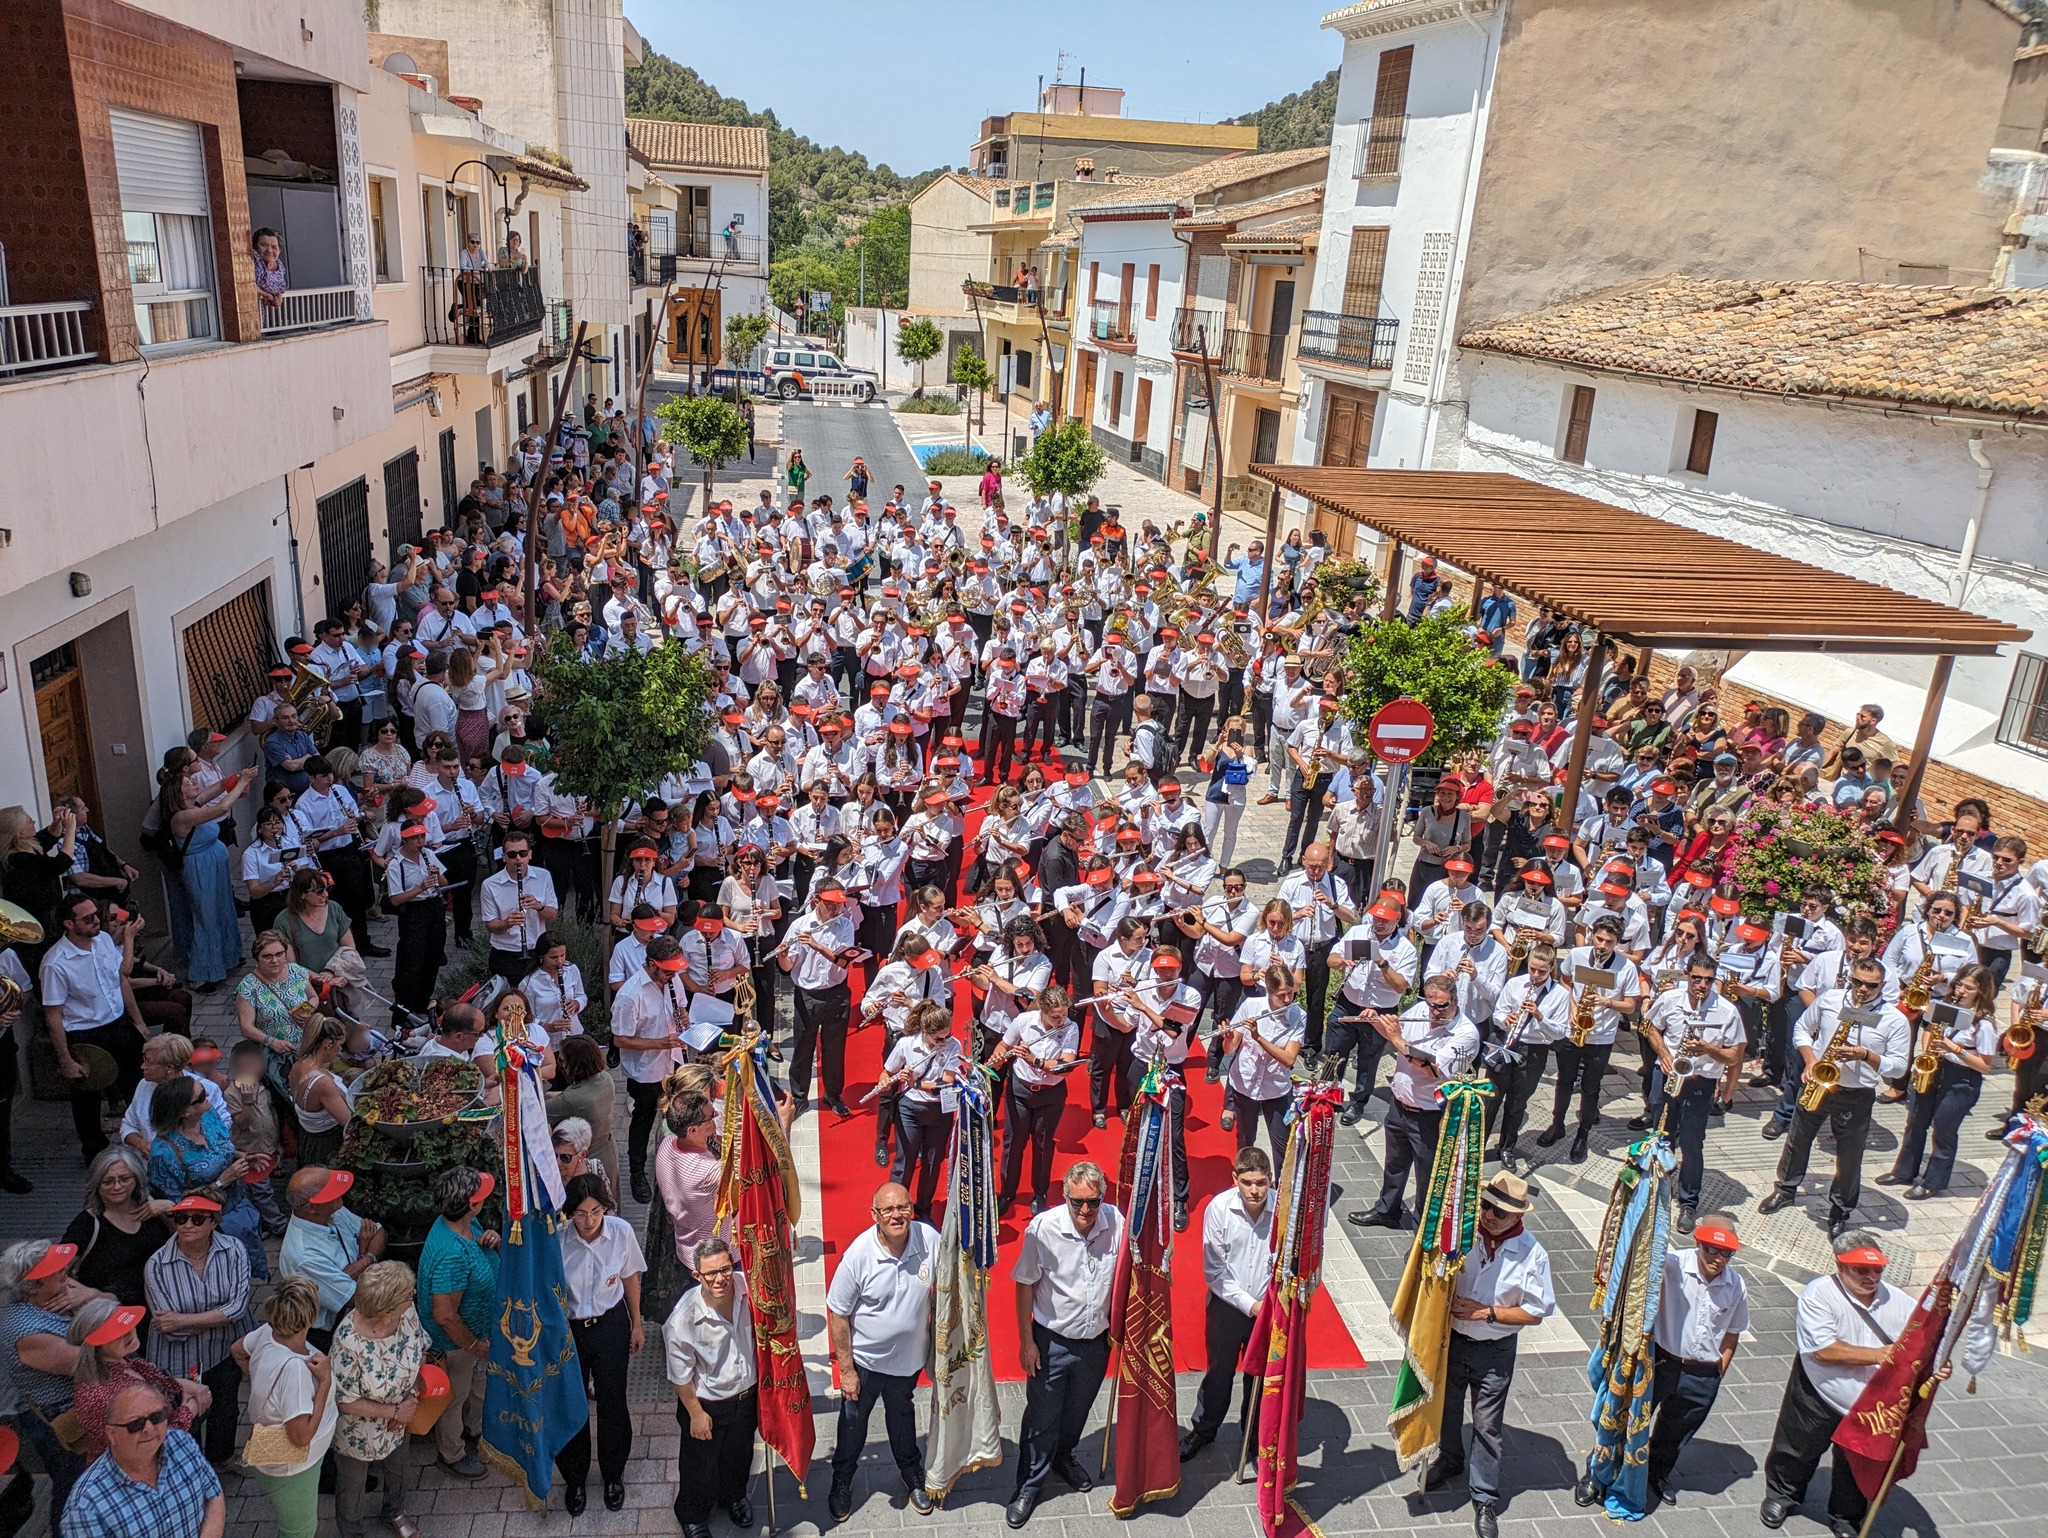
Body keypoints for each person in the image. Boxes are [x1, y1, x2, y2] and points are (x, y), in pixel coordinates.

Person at [1760, 1230, 1991, 1536]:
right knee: (1796, 1450)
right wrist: (1882, 1354)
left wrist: (1937, 1366)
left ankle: (1845, 1518)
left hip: (1871, 1405)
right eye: (1861, 1270)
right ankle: (1782, 1495)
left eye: (1878, 1270)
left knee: (1857, 1465)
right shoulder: (1819, 1295)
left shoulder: (1900, 1302)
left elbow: (1922, 1346)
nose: (1872, 1277)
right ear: (1841, 1267)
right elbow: (1824, 1351)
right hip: (1819, 1395)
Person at [1576, 1216, 1747, 1514]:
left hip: (1702, 1372)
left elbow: (1733, 1330)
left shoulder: (1736, 1285)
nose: (1718, 1259)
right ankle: (1598, 1474)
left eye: (1726, 1254)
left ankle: (1656, 1473)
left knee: (1676, 1431)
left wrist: (1721, 1367)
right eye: (1711, 1250)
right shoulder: (1671, 1266)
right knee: (1624, 1418)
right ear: (1698, 1243)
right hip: (1662, 1362)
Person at [1423, 1172, 1555, 1538]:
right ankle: (1449, 1459)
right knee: (1447, 1406)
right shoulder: (1462, 1236)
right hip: (1454, 1341)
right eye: (1485, 1205)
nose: (1488, 1215)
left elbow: (1536, 1311)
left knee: (1486, 1424)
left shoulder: (1532, 1254)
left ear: (1517, 1217)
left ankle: (1483, 1497)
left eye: (1498, 1211)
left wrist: (1486, 1313)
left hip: (1495, 1349)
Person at [1007, 1160, 1124, 1529]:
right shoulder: (1043, 1228)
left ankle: (1065, 1456)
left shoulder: (1116, 1222)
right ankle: (1028, 1484)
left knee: (1077, 1410)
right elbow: (1024, 1283)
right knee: (1042, 1417)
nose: (1087, 1211)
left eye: (1094, 1202)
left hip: (1095, 1341)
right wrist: (1027, 1342)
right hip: (1052, 1340)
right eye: (1078, 1203)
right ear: (1065, 1197)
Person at [1757, 957, 1910, 1238]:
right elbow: (1802, 1029)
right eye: (1857, 982)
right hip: (1819, 1081)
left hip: (1856, 1092)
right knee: (1797, 1138)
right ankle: (1786, 1189)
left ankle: (1840, 1209)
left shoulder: (1894, 1019)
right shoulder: (1831, 999)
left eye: (1871, 986)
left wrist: (1866, 1056)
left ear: (1883, 985)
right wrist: (1811, 1060)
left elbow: (1900, 1066)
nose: (1862, 990)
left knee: (1849, 1155)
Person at [826, 1182, 940, 1520]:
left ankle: (911, 1474)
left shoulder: (928, 1239)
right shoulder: (858, 1256)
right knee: (852, 1426)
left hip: (908, 1362)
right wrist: (847, 1371)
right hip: (865, 1363)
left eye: (902, 1207)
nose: (897, 1215)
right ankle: (841, 1481)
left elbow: (948, 1283)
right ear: (874, 1215)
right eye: (888, 1210)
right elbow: (838, 1314)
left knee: (902, 1420)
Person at [1348, 973, 1481, 1229]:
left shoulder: (1465, 1034)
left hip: (1430, 1113)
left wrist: (1396, 1037)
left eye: (1442, 1006)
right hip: (1400, 1105)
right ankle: (1387, 1210)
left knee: (1427, 1174)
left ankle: (1424, 1227)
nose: (1435, 1011)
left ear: (1455, 1000)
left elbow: (1430, 1067)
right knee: (1394, 1164)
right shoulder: (1422, 1009)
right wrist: (1378, 1022)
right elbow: (1395, 1038)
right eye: (1431, 1004)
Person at [556, 1172, 645, 1516]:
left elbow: (630, 1278)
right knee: (572, 1403)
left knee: (612, 1400)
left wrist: (636, 1323)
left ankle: (613, 1474)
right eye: (581, 1213)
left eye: (596, 1212)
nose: (589, 1220)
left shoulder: (620, 1232)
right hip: (571, 1330)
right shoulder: (559, 1239)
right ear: (570, 1213)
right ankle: (575, 1479)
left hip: (610, 1324)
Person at [142, 1190, 249, 1469]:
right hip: (180, 1357)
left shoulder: (234, 1249)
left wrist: (184, 1320)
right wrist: (218, 1316)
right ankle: (191, 1470)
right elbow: (170, 1330)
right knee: (185, 1415)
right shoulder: (156, 1264)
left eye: (197, 1219)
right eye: (180, 1218)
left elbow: (238, 1308)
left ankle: (220, 1461)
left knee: (226, 1410)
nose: (187, 1225)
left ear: (214, 1222)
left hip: (224, 1350)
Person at [1642, 953, 1745, 1233]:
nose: (1701, 985)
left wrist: (1709, 1049)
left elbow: (1735, 1056)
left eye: (1708, 980)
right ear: (1687, 974)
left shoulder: (1726, 1011)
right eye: (1696, 978)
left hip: (1700, 1081)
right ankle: (1655, 1190)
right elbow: (1651, 1028)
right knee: (1660, 1136)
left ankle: (1688, 1202)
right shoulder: (1669, 999)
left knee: (1691, 1143)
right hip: (1667, 1073)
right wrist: (1663, 1052)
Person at [1180, 1146, 1272, 1461]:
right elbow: (1215, 1272)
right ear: (1235, 1178)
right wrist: (1252, 1305)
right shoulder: (1218, 1209)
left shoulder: (1283, 1210)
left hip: (1270, 1309)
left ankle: (1255, 1434)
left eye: (1261, 1182)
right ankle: (1204, 1429)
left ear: (1270, 1180)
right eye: (1247, 1182)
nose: (1255, 1190)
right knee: (1219, 1373)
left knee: (1261, 1376)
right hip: (1227, 1308)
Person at [0, 1239, 102, 1519]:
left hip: (85, 1407)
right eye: (54, 1269)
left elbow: (114, 1307)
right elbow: (91, 1364)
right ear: (32, 1287)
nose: (64, 1269)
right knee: (73, 1490)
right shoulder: (24, 1329)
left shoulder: (63, 1287)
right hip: (61, 1423)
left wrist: (91, 1295)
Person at [664, 1237, 758, 1538]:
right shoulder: (683, 1320)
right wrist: (695, 1413)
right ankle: (692, 1514)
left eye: (725, 1270)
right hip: (708, 1403)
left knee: (739, 1455)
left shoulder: (748, 1288)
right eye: (711, 1273)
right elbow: (680, 1376)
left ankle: (734, 1497)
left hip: (746, 1396)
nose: (720, 1279)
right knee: (699, 1467)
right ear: (697, 1276)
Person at [1882, 962, 2002, 1196]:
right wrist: (1929, 1052)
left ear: (1981, 991)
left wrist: (1954, 1049)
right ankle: (1904, 1171)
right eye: (1959, 985)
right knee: (1915, 1121)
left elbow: (1985, 1066)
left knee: (1944, 1130)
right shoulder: (1945, 1005)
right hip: (1935, 1068)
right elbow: (1929, 1030)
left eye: (1969, 988)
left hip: (1962, 1079)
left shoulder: (1984, 1024)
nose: (1960, 991)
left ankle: (1932, 1182)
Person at [40, 892, 146, 1158]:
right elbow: (53, 1015)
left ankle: (146, 1141)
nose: (96, 921)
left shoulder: (103, 941)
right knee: (87, 1098)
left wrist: (138, 1023)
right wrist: (66, 1060)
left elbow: (121, 977)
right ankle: (95, 1152)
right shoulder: (55, 963)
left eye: (96, 915)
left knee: (137, 1084)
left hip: (118, 1024)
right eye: (88, 919)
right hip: (85, 1034)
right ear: (69, 924)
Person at [329, 1260, 428, 1538]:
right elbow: (345, 1400)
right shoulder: (347, 1342)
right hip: (357, 1430)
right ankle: (352, 1531)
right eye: (409, 1294)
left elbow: (421, 1350)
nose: (414, 1296)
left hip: (403, 1413)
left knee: (399, 1468)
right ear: (386, 1308)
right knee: (352, 1486)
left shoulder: (407, 1313)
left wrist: (411, 1398)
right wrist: (395, 1412)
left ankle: (394, 1511)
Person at [234, 1277, 338, 1538]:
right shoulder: (296, 1371)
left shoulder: (267, 1333)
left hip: (273, 1454)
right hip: (293, 1468)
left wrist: (259, 1379)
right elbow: (300, 1437)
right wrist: (324, 1382)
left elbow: (237, 1350)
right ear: (310, 1318)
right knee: (299, 1531)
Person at [414, 1166, 499, 1480]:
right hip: (455, 1344)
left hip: (475, 1335)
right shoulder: (451, 1254)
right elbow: (445, 1314)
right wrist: (475, 1346)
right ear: (471, 1206)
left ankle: (476, 1431)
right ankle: (452, 1453)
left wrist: (491, 1240)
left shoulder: (461, 1223)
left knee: (476, 1387)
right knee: (454, 1397)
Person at [59, 1383, 224, 1538]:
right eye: (135, 1424)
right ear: (111, 1434)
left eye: (157, 1417)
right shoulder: (86, 1506)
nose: (149, 1429)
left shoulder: (182, 1442)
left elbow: (214, 1496)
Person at [65, 1297, 207, 1460]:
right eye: (116, 1333)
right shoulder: (101, 1396)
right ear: (95, 1348)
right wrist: (191, 1408)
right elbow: (153, 1444)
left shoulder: (125, 1361)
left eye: (126, 1324)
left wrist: (181, 1385)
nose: (128, 1332)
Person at [279, 1167, 384, 1345]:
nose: (340, 1193)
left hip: (348, 1315)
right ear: (310, 1207)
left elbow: (379, 1232)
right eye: (330, 1193)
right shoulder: (304, 1255)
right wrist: (364, 1252)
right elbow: (353, 1297)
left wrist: (365, 1257)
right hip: (323, 1332)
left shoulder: (332, 1210)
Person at [60, 1149, 171, 1313]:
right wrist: (92, 1295)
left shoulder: (154, 1202)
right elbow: (56, 1273)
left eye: (125, 1179)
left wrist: (170, 1208)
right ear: (96, 1185)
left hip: (162, 1306)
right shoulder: (86, 1224)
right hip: (113, 1313)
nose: (117, 1186)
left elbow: (185, 1239)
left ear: (137, 1178)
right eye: (108, 1181)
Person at [480, 830, 559, 983]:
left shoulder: (543, 876)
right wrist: (507, 923)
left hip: (536, 951)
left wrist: (539, 907)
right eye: (512, 854)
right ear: (504, 857)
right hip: (504, 953)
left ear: (530, 854)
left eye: (523, 853)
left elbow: (552, 916)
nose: (518, 858)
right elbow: (490, 924)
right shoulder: (490, 885)